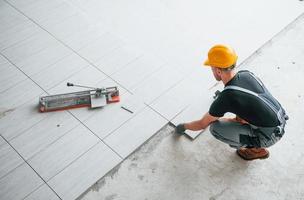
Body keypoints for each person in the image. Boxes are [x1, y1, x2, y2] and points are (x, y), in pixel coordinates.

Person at [175, 44, 288, 161]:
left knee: (215, 128)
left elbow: (202, 123)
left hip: (269, 136)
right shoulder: (246, 74)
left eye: (212, 68)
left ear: (218, 71)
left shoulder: (227, 97)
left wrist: (183, 126)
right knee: (242, 106)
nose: (212, 71)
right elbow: (246, 101)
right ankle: (248, 128)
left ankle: (256, 149)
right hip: (280, 118)